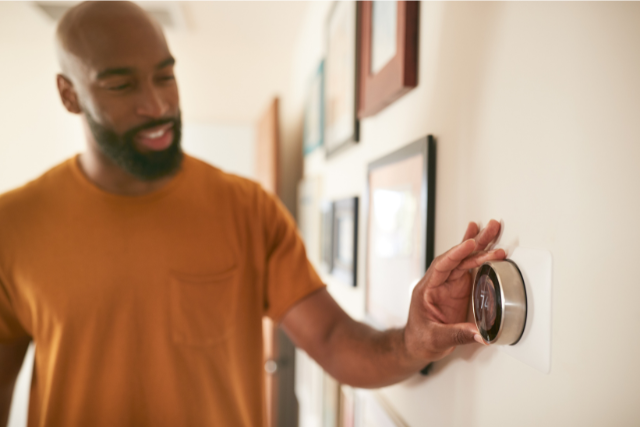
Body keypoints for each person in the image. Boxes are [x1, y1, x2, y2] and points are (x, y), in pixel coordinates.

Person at [0, 0, 505, 425]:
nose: (156, 105)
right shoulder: (13, 226)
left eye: (165, 76)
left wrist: (412, 342)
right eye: (120, 85)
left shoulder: (247, 208)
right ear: (69, 94)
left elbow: (332, 339)